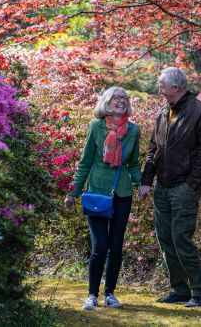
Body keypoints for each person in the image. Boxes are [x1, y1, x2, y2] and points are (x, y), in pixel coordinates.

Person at [140, 67, 201, 308]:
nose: (159, 88)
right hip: (162, 186)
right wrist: (146, 180)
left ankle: (200, 293)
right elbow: (154, 148)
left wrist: (192, 184)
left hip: (184, 187)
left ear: (176, 87)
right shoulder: (163, 113)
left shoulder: (199, 111)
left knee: (181, 239)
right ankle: (179, 290)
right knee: (166, 240)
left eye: (162, 84)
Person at [65, 87, 143, 310]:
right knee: (100, 246)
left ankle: (110, 294)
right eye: (116, 97)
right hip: (98, 192)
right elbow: (85, 162)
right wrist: (74, 192)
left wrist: (141, 184)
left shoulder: (134, 130)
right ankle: (92, 295)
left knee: (116, 245)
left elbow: (134, 163)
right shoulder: (95, 127)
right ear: (107, 102)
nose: (121, 101)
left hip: (122, 193)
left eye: (125, 98)